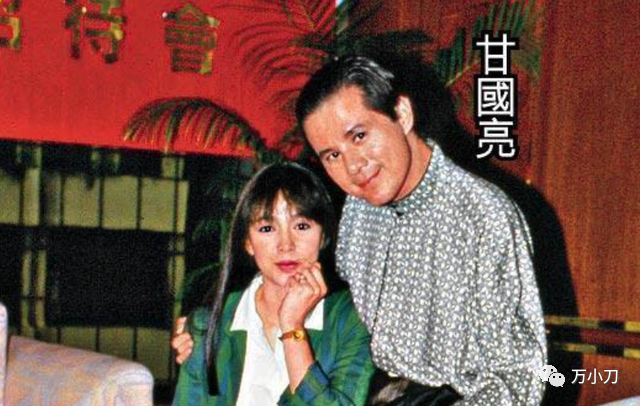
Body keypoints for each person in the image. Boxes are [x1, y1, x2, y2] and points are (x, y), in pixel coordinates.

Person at [174, 55, 547, 406]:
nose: (353, 166)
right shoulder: (359, 208)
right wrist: (208, 336)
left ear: (402, 114)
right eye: (332, 155)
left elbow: (520, 378)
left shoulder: (480, 215)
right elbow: (328, 311)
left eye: (359, 136)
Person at [172, 162, 374, 406]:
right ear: (248, 242)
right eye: (267, 228)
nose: (286, 245)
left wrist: (293, 329)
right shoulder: (209, 325)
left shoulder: (351, 320)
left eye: (301, 226)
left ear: (323, 236)